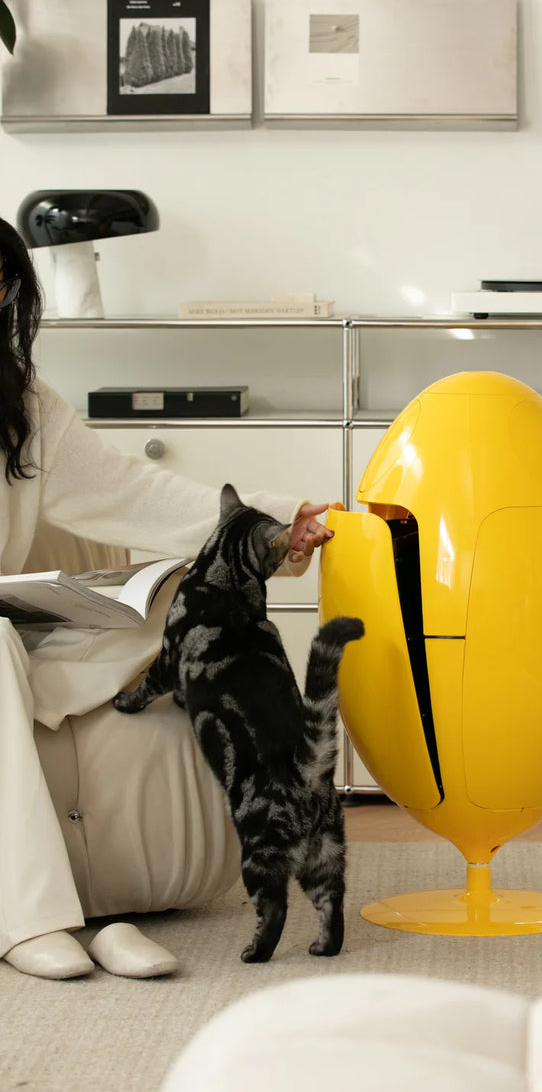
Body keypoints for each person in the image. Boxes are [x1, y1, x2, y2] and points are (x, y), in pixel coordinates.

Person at [0, 216, 335, 981]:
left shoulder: (24, 406)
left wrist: (273, 528)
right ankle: (35, 920)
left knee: (177, 610)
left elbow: (138, 495)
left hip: (10, 621)